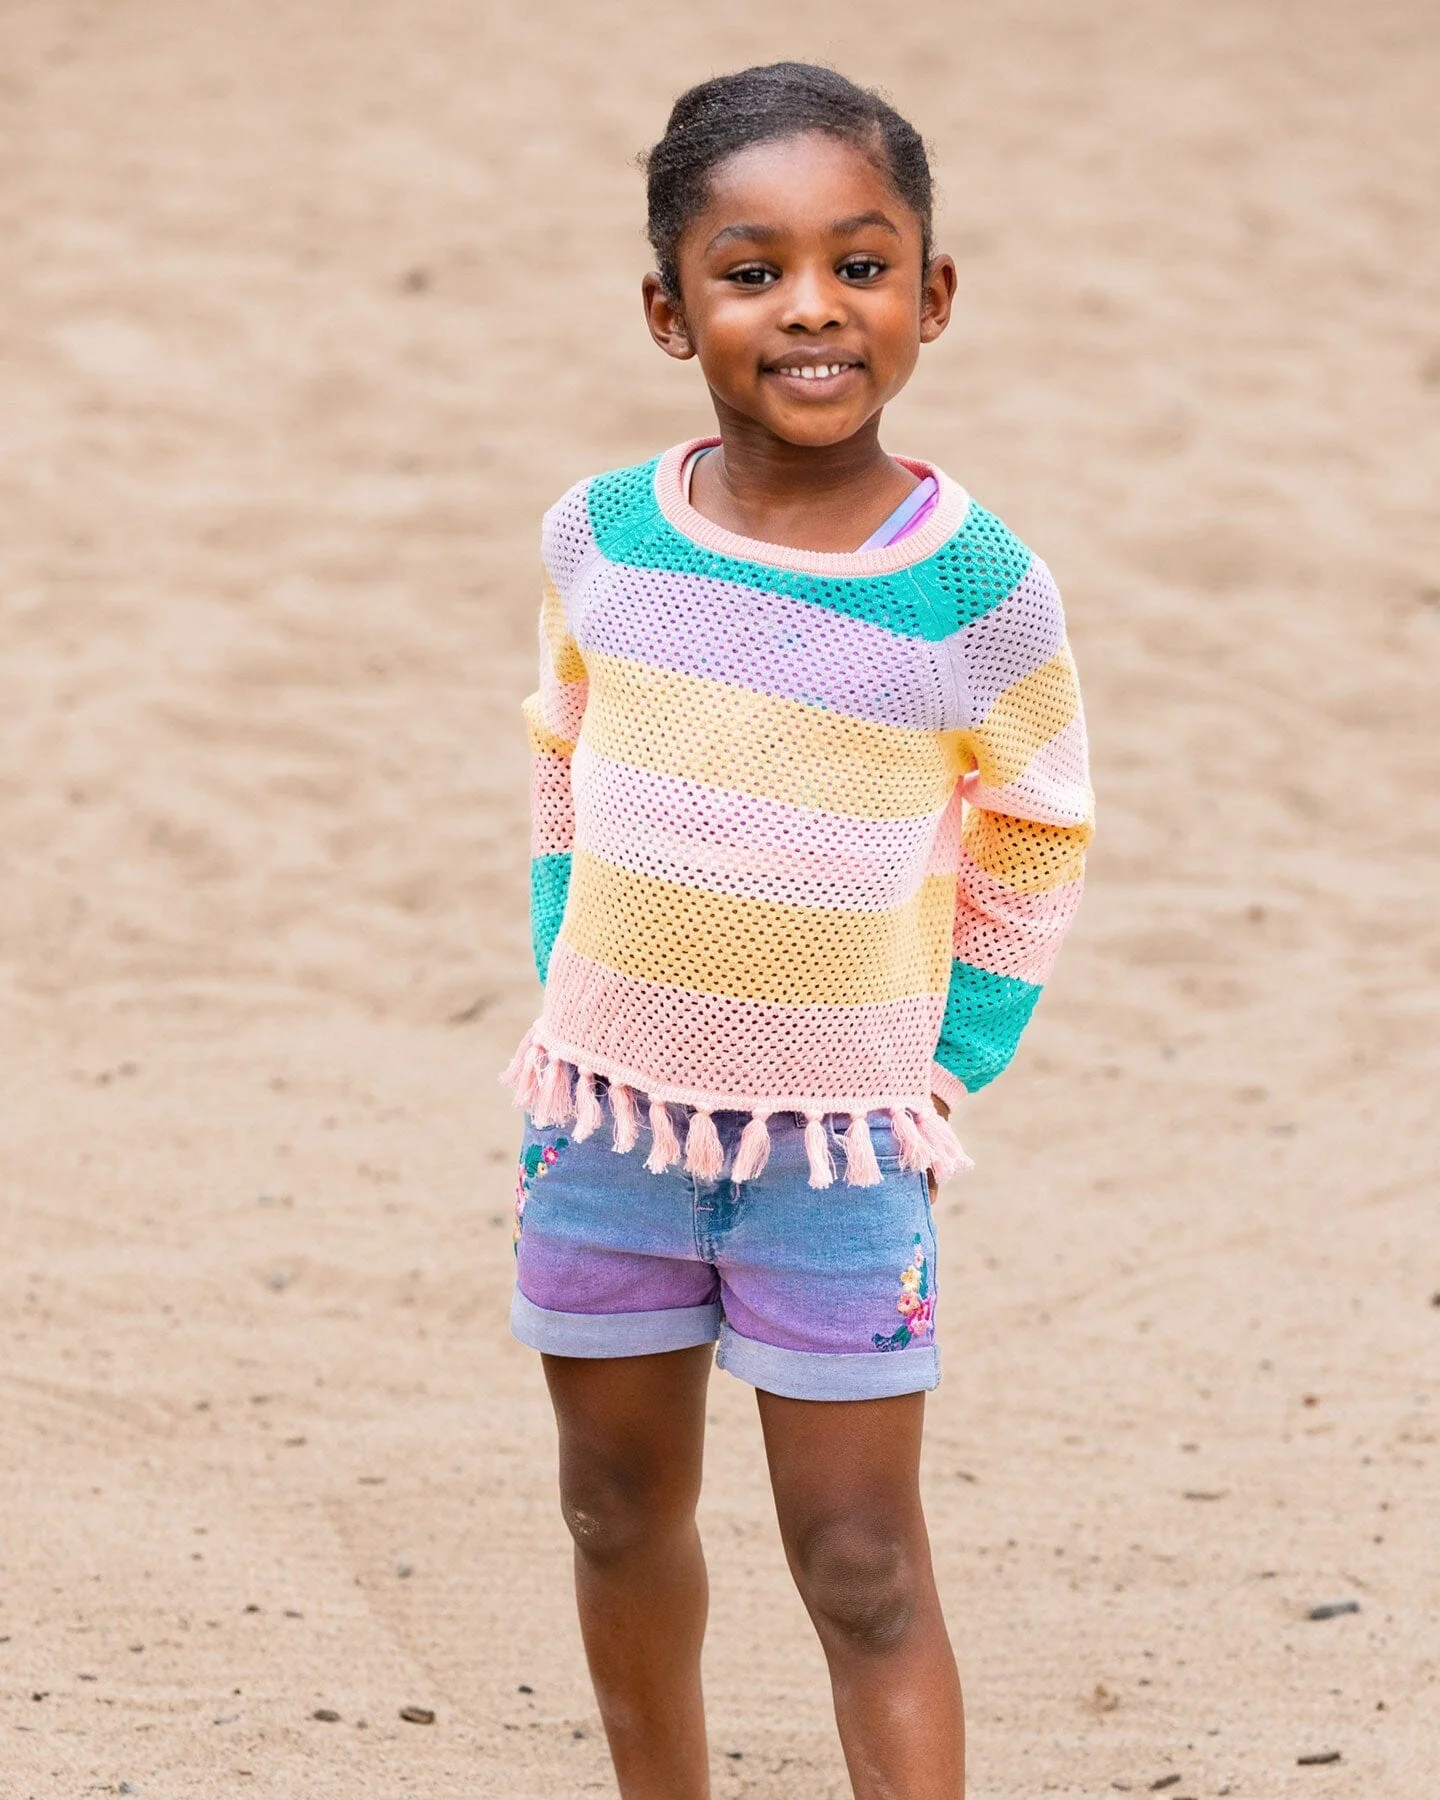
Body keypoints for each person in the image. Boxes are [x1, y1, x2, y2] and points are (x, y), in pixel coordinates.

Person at [500, 61, 1093, 1800]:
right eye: (752, 272)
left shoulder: (975, 586)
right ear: (669, 311)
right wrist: (570, 960)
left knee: (860, 1563)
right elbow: (562, 746)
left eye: (862, 263)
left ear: (933, 294)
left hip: (842, 1148)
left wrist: (947, 1057)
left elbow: (1041, 822)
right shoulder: (603, 536)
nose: (813, 307)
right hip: (604, 1119)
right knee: (614, 1510)